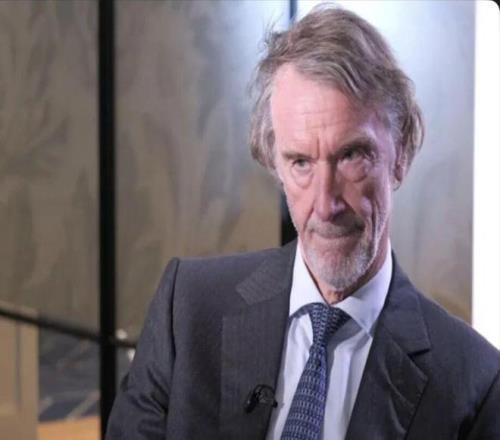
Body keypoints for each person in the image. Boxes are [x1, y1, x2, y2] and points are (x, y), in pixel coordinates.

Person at [106, 5, 500, 440]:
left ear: (401, 153)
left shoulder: (474, 383)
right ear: (274, 163)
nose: (325, 204)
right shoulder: (187, 311)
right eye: (300, 162)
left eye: (352, 155)